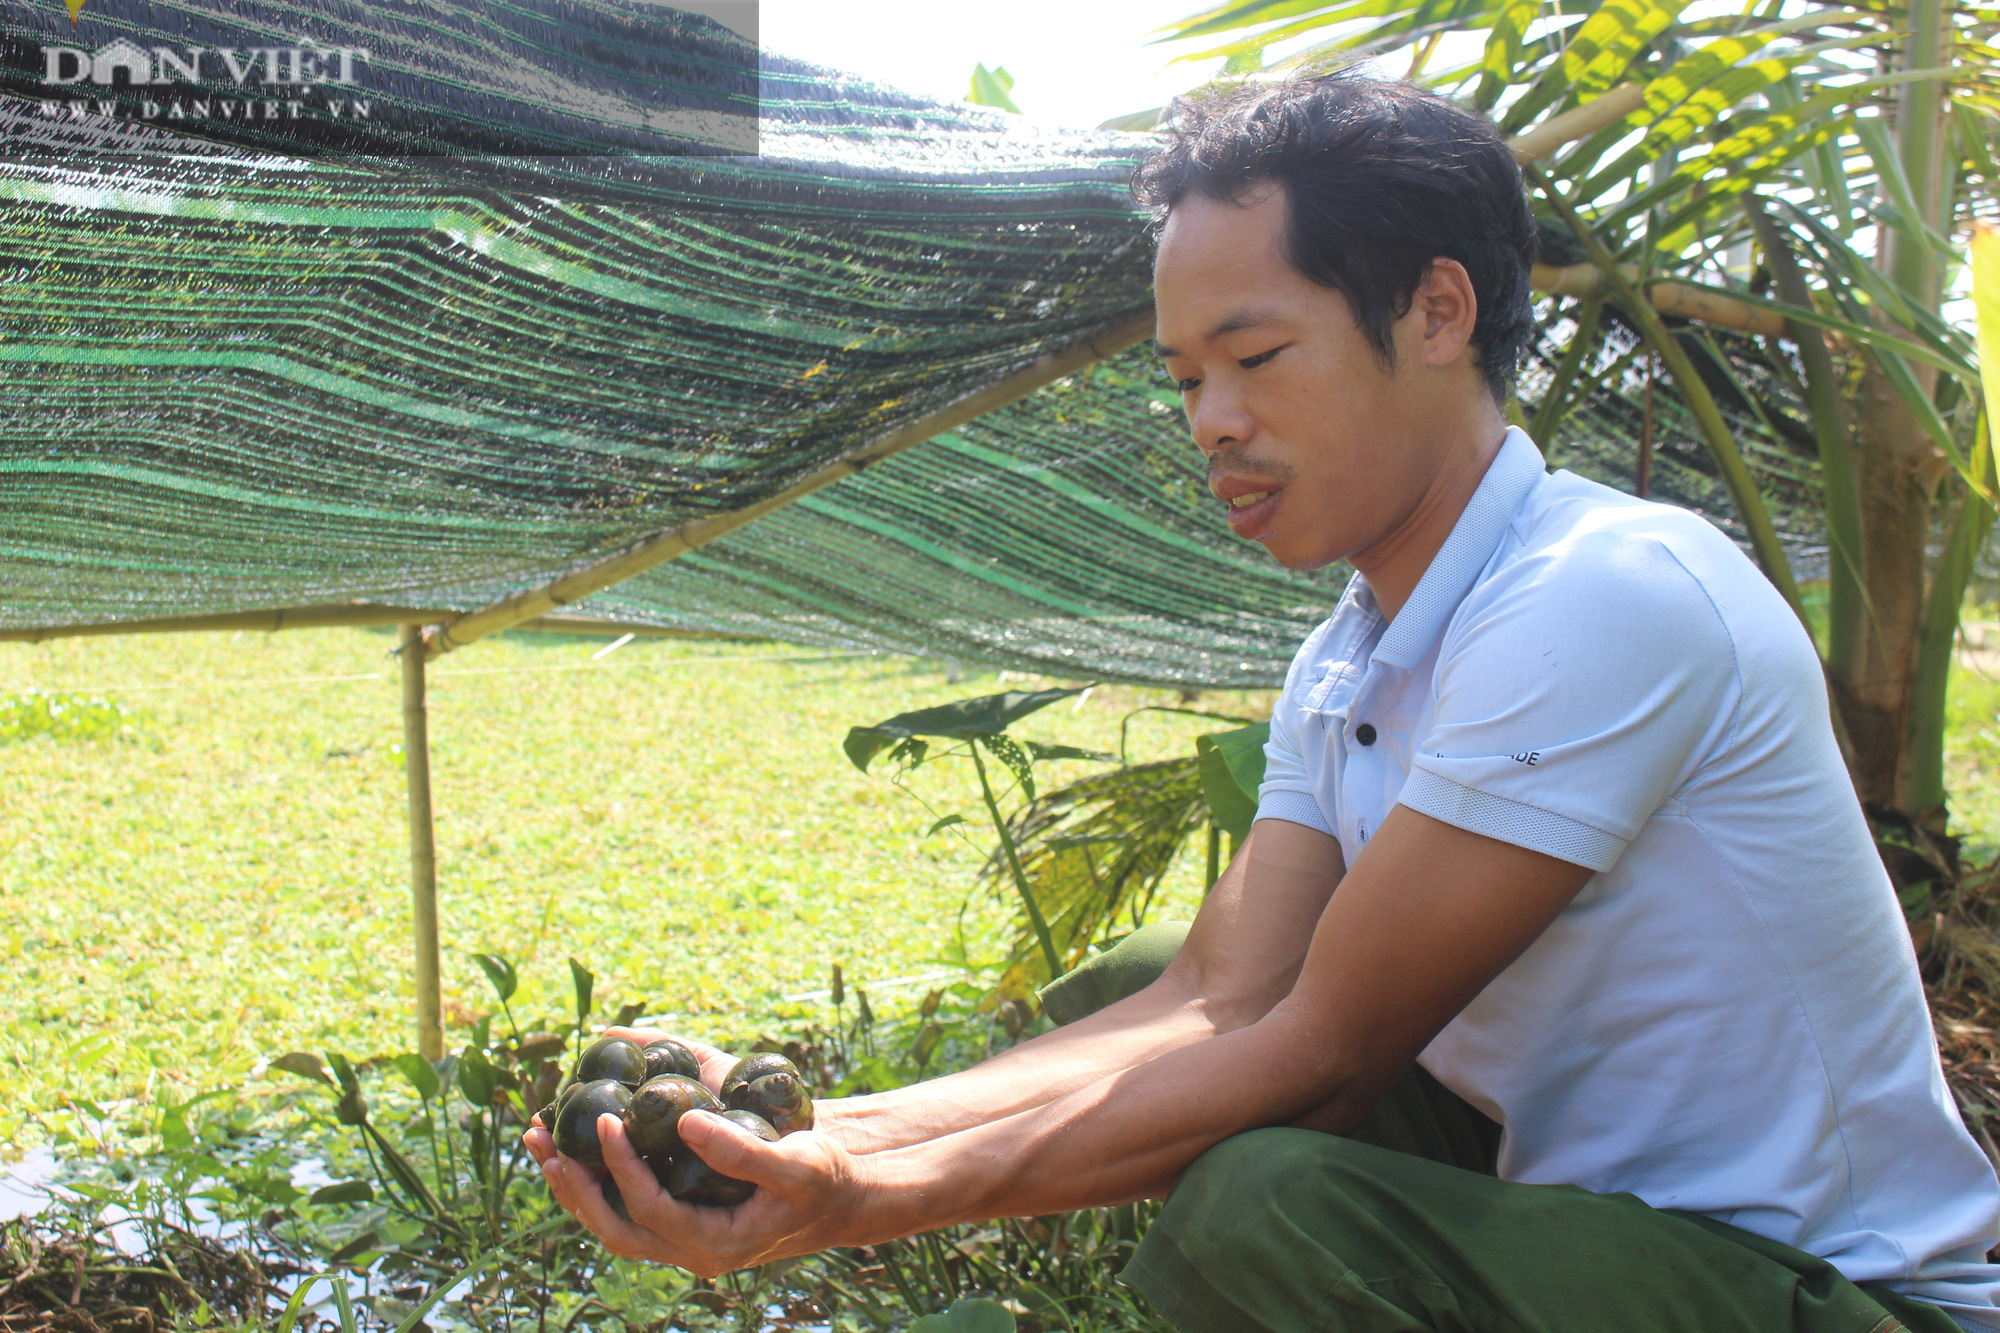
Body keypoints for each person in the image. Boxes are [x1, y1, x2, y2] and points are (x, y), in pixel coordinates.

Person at [526, 73, 2000, 1332]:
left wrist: (857, 1202)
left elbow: (1329, 1050)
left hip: (1831, 1287)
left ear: (1435, 311)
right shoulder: (1356, 652)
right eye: (1184, 377)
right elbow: (1217, 996)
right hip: (1598, 1227)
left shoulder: (1606, 593)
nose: (1212, 421)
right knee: (1139, 983)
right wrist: (808, 1130)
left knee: (1270, 1199)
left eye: (1255, 356)